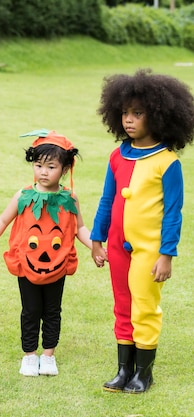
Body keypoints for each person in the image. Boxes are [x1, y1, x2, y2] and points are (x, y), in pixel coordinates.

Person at [91, 69, 194, 393]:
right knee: (122, 304)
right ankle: (124, 370)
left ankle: (144, 373)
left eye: (138, 113)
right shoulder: (117, 156)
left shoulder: (167, 162)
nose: (129, 120)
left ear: (160, 115)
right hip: (118, 248)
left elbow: (173, 214)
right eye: (124, 112)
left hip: (149, 251)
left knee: (144, 306)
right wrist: (97, 238)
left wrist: (167, 255)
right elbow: (108, 200)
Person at [0, 130, 92, 377]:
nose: (43, 172)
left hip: (57, 265)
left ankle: (48, 355)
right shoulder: (23, 196)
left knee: (52, 310)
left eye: (51, 167)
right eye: (38, 165)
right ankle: (29, 355)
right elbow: (3, 221)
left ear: (65, 169)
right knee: (30, 310)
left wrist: (97, 247)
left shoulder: (70, 199)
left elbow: (80, 228)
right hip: (28, 265)